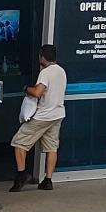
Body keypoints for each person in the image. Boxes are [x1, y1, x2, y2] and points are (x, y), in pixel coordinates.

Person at [9, 45, 67, 191]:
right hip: (57, 114)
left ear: (42, 57)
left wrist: (26, 89)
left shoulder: (46, 72)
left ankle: (22, 174)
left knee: (19, 142)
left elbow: (37, 92)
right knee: (51, 147)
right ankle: (48, 180)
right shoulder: (61, 71)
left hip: (44, 115)